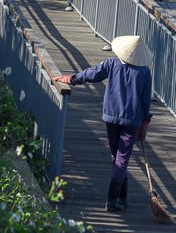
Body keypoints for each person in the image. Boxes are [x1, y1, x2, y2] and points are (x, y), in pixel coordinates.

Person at [52, 36, 153, 212]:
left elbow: (92, 74)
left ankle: (121, 197)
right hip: (132, 120)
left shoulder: (111, 63)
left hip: (111, 116)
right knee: (121, 159)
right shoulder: (144, 72)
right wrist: (145, 121)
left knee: (117, 157)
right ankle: (113, 199)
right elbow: (145, 100)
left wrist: (72, 79)